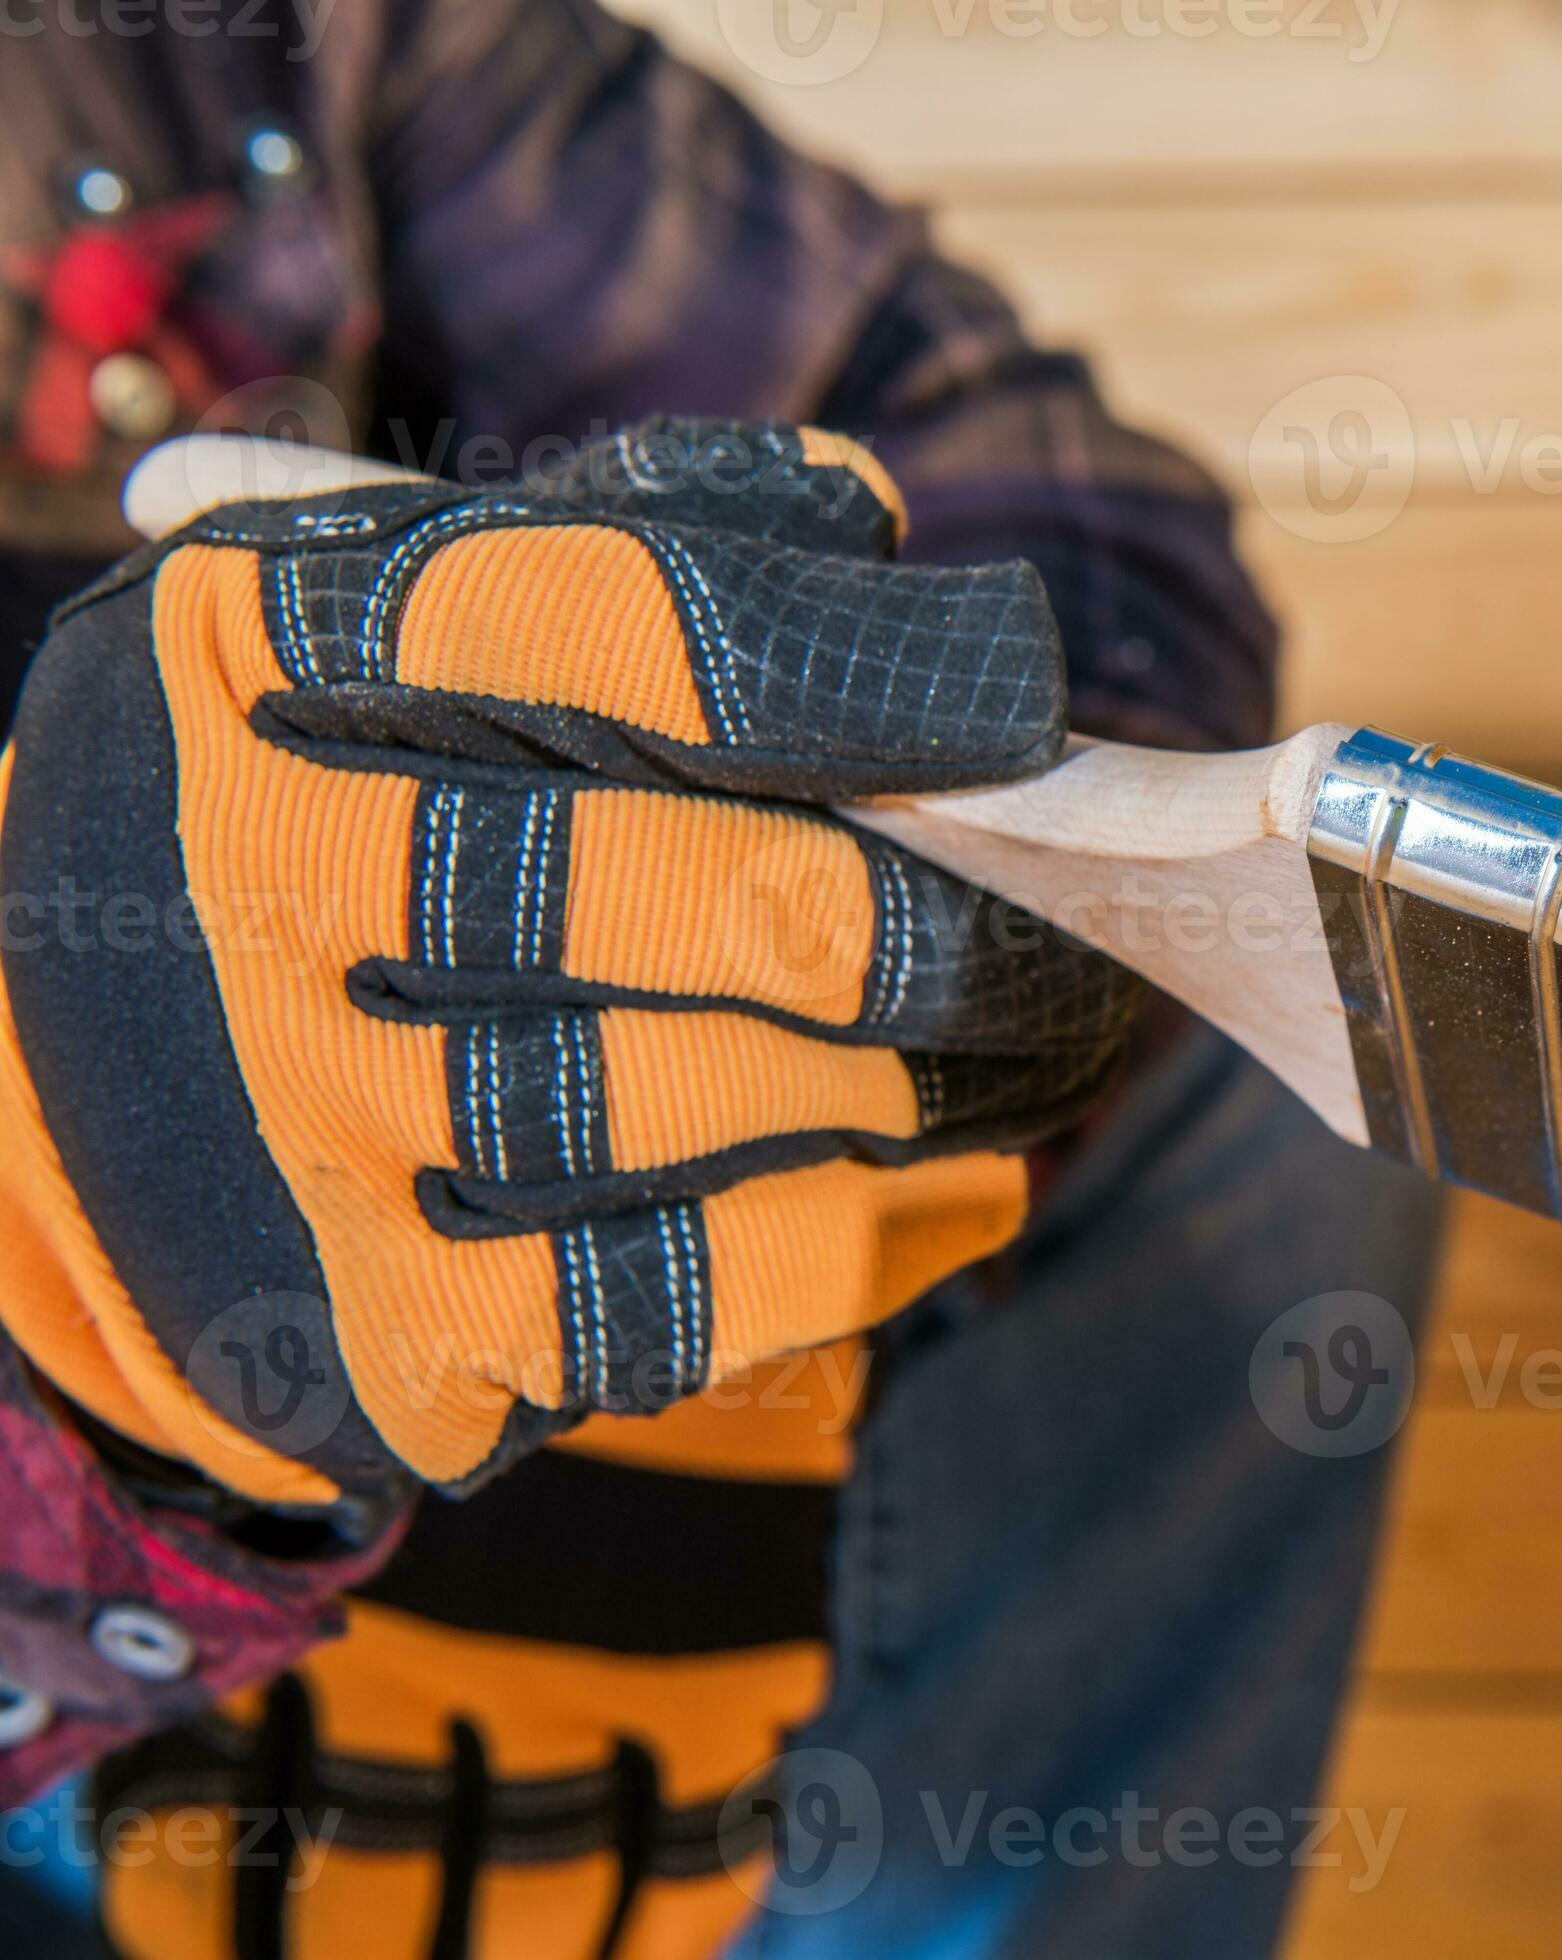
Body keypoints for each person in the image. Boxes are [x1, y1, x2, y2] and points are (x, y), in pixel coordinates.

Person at [0, 5, 1445, 1954]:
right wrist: (78, 1386)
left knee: (1287, 1035)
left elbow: (1062, 493)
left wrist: (811, 904)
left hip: (591, 1292)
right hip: (88, 1615)